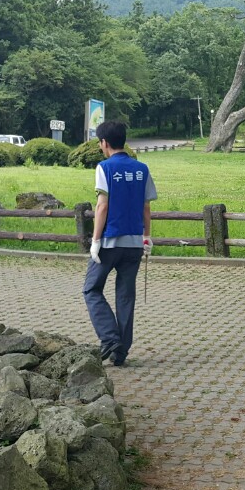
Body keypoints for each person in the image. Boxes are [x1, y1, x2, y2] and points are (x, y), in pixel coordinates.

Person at [82, 121, 157, 367]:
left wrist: (95, 241)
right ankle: (121, 352)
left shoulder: (104, 167)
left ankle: (109, 338)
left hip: (109, 242)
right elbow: (146, 207)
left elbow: (102, 206)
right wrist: (147, 236)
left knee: (91, 289)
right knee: (125, 295)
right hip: (134, 242)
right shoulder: (142, 169)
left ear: (104, 143)